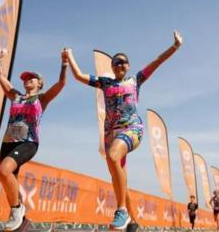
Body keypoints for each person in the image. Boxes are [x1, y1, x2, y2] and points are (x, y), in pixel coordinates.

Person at [66, 30, 183, 229]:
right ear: (111, 67)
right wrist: (68, 56)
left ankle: (121, 211)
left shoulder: (135, 80)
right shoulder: (104, 82)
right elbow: (78, 76)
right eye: (116, 62)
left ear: (128, 66)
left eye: (123, 62)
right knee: (119, 179)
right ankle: (133, 223)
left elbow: (157, 61)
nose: (120, 64)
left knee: (112, 157)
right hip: (110, 134)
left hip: (132, 129)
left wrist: (174, 47)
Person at [0, 49, 68, 231]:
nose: (28, 79)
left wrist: (64, 63)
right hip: (8, 142)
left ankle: (17, 210)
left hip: (28, 142)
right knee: (6, 178)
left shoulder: (41, 99)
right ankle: (21, 221)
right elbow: (2, 80)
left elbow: (61, 83)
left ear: (40, 83)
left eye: (32, 78)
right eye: (26, 77)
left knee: (4, 171)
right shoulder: (16, 96)